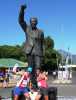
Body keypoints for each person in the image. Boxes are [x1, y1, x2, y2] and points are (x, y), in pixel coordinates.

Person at [18, 4, 44, 74]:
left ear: (36, 22)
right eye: (32, 21)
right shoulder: (27, 28)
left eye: (34, 21)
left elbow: (42, 44)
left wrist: (42, 55)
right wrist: (22, 10)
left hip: (38, 52)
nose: (33, 23)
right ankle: (32, 83)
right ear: (30, 22)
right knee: (30, 68)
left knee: (38, 68)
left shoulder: (41, 32)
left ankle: (36, 82)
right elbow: (21, 21)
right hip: (29, 51)